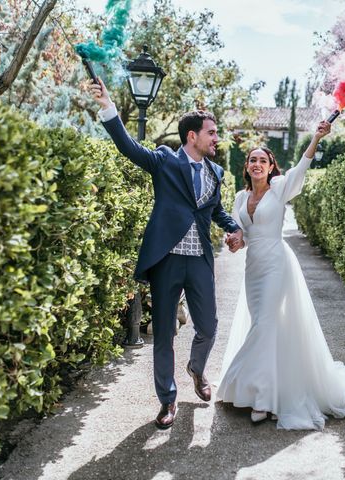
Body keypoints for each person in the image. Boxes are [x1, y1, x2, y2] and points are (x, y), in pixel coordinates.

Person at [89, 79, 244, 429]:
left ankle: (197, 369)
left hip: (200, 259)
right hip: (167, 260)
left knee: (209, 326)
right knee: (164, 334)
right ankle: (167, 400)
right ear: (193, 136)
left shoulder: (216, 172)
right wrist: (108, 106)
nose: (216, 138)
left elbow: (215, 212)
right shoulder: (164, 161)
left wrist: (233, 228)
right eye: (212, 133)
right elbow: (128, 147)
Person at [217, 121, 345, 429]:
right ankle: (267, 388)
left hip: (277, 263)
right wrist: (233, 241)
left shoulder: (280, 187)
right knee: (265, 324)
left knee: (264, 323)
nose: (257, 164)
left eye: (263, 160)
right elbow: (240, 236)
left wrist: (315, 138)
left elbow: (301, 168)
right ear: (247, 167)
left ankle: (261, 398)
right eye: (252, 160)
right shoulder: (238, 199)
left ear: (271, 166)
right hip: (254, 268)